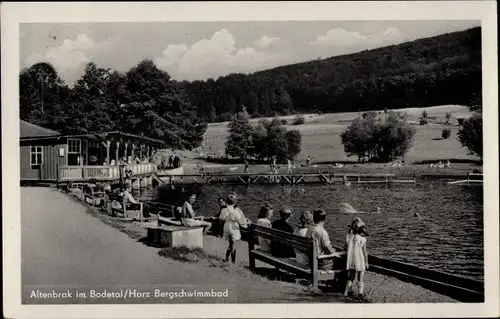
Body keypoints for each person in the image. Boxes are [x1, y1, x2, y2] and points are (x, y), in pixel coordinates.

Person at [219, 195, 249, 263]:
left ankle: (226, 259)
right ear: (234, 203)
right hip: (233, 227)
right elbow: (239, 219)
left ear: (226, 201)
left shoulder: (224, 210)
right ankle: (233, 262)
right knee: (233, 245)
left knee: (231, 244)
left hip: (226, 226)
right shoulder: (236, 211)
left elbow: (221, 219)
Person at [344, 217, 369, 297]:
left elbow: (345, 247)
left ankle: (348, 291)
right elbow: (365, 252)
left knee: (351, 275)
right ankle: (360, 294)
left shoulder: (349, 237)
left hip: (352, 260)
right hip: (360, 259)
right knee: (360, 276)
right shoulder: (362, 239)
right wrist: (366, 262)